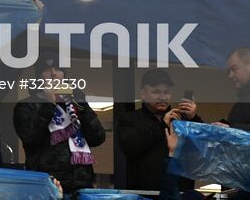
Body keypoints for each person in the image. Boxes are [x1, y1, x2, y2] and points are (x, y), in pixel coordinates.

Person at [13, 60, 105, 199]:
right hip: (48, 186)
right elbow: (30, 138)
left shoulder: (74, 104)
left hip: (82, 185)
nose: (54, 74)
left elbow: (98, 138)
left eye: (58, 69)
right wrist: (49, 105)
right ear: (39, 76)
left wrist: (82, 106)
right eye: (47, 69)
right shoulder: (26, 105)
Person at [116, 69, 198, 199]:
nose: (162, 97)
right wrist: (162, 125)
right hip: (145, 195)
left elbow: (201, 148)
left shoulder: (182, 119)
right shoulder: (130, 119)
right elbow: (130, 147)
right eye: (156, 92)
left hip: (180, 194)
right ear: (143, 94)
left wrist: (194, 118)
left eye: (167, 92)